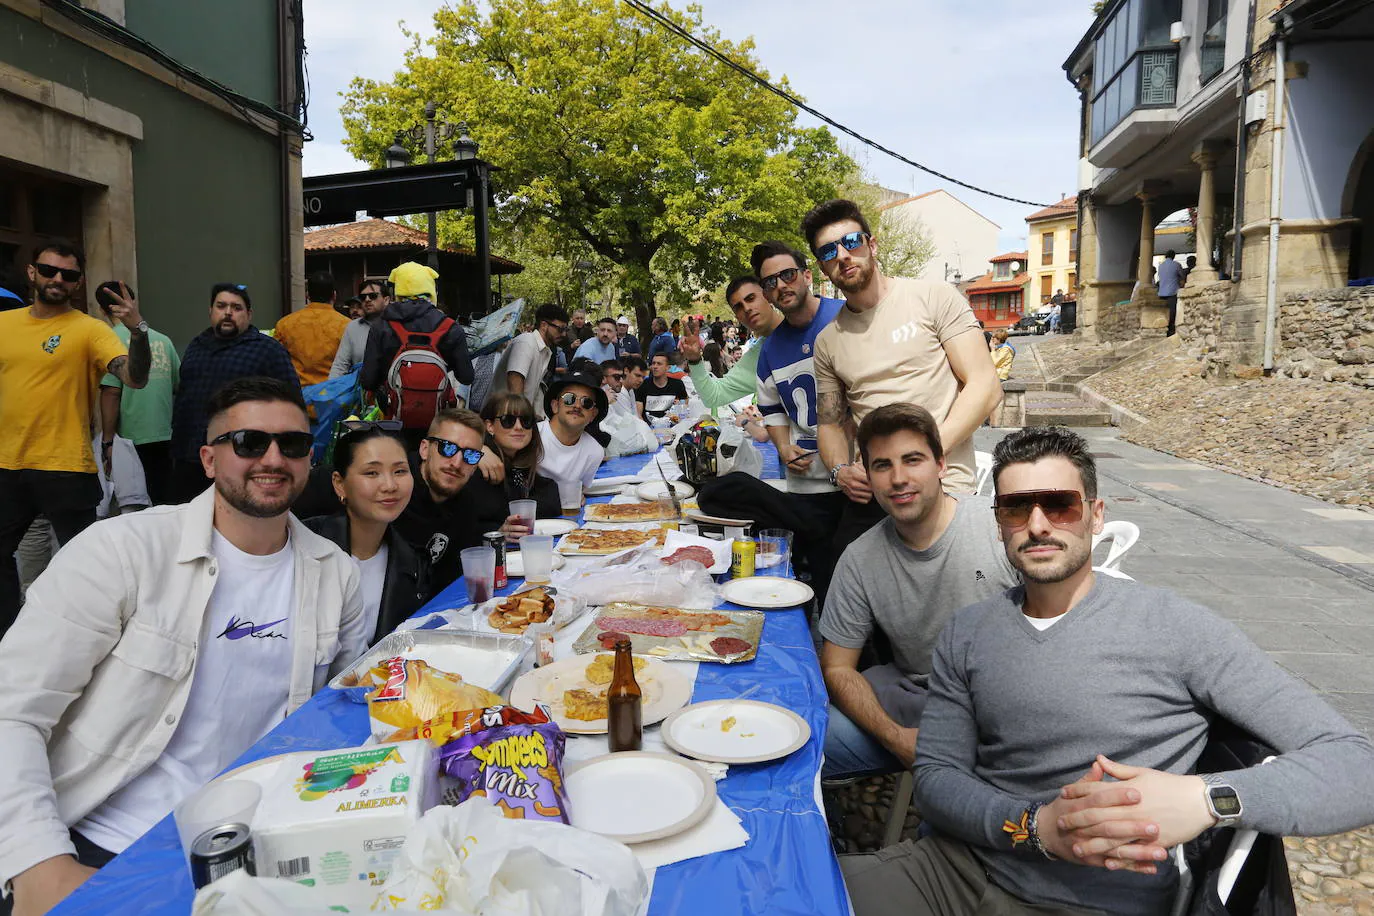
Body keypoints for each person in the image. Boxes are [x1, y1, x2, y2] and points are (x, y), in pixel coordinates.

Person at [842, 426, 1374, 916]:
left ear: (1095, 516)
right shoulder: (969, 631)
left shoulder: (1176, 627)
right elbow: (938, 779)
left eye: (1060, 505)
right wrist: (1035, 827)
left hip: (1102, 901)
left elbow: (1356, 765)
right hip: (959, 871)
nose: (1038, 524)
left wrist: (1209, 799)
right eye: (1016, 507)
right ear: (998, 521)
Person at [0, 377, 367, 916]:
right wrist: (37, 862)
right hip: (108, 844)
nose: (272, 458)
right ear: (209, 459)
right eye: (247, 442)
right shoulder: (121, 552)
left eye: (292, 445)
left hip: (263, 841)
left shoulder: (336, 574)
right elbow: (13, 709)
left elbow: (336, 712)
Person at [818, 404, 1018, 779]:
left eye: (913, 460)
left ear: (941, 464)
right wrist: (896, 738)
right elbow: (837, 667)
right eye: (882, 465)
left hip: (1008, 712)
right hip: (914, 703)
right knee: (799, 743)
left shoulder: (999, 528)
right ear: (868, 474)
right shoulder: (860, 559)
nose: (898, 478)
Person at [804, 198, 1001, 551]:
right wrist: (840, 472)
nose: (843, 256)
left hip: (945, 486)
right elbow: (830, 424)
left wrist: (925, 455)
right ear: (822, 267)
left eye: (851, 242)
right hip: (875, 493)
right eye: (829, 252)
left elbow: (985, 386)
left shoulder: (934, 297)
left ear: (872, 244)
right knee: (836, 573)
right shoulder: (828, 342)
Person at [0, 242, 151, 638]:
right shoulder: (5, 324)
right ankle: (11, 640)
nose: (57, 280)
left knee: (86, 566)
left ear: (78, 282)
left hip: (65, 466)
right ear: (32, 272)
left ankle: (86, 639)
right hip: (6, 465)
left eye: (68, 275)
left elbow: (134, 377)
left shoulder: (89, 330)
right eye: (49, 271)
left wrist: (138, 329)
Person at [170, 283, 300, 504]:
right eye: (221, 306)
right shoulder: (196, 346)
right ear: (211, 311)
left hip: (241, 456)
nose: (228, 312)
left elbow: (292, 403)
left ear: (248, 314)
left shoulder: (267, 350)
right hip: (190, 455)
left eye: (236, 307)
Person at [303, 421, 428, 645]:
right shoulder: (304, 547)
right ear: (339, 484)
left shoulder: (413, 561)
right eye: (372, 473)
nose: (390, 485)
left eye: (400, 471)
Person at [390, 408, 512, 593]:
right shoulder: (392, 491)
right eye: (447, 448)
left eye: (470, 455)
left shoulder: (466, 503)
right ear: (424, 449)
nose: (456, 463)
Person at [93, 281, 180, 507]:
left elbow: (111, 392)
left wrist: (107, 441)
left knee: (134, 506)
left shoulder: (109, 341)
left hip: (130, 439)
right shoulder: (164, 340)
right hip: (165, 435)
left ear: (102, 310)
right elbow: (178, 386)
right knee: (163, 502)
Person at [359, 262, 474, 414]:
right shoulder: (451, 328)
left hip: (394, 418)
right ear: (431, 290)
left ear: (397, 292)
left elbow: (368, 380)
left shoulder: (381, 326)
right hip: (437, 418)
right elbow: (466, 377)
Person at [681, 276, 780, 408]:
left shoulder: (809, 327)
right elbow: (714, 396)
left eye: (751, 298)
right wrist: (694, 360)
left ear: (768, 296)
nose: (746, 308)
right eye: (738, 307)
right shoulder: (760, 356)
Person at [467, 393, 560, 535]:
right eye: (508, 420)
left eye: (526, 421)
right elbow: (463, 522)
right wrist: (498, 531)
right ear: (490, 426)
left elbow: (551, 499)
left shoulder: (517, 465)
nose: (518, 427)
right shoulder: (478, 465)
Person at [491, 304, 568, 420]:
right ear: (544, 325)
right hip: (502, 419)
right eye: (560, 329)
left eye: (565, 330)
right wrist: (521, 418)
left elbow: (533, 390)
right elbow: (515, 379)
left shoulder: (545, 351)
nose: (564, 334)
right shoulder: (526, 342)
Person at [538, 373, 607, 500]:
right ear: (555, 406)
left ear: (593, 414)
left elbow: (579, 491)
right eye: (569, 399)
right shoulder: (530, 435)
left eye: (587, 402)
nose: (577, 406)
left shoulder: (595, 452)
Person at [275, 271, 350, 386]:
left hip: (297, 395)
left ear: (307, 295)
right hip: (334, 395)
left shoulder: (284, 324)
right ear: (334, 295)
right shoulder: (346, 325)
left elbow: (275, 361)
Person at [330, 278, 390, 379]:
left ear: (386, 300)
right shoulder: (352, 327)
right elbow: (340, 365)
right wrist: (332, 390)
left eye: (373, 296)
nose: (367, 300)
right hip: (360, 389)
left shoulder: (396, 325)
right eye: (363, 297)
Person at [636, 352, 688, 421]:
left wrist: (679, 408)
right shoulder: (643, 385)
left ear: (668, 368)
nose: (655, 366)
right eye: (653, 363)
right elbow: (638, 415)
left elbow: (685, 401)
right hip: (648, 427)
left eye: (659, 364)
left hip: (671, 426)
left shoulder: (677, 384)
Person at [1157, 249, 1184, 337]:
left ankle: (1162, 329)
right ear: (1173, 256)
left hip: (1161, 292)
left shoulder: (1160, 266)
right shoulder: (1176, 265)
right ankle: (1171, 330)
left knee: (1163, 312)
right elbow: (1182, 276)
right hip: (1172, 292)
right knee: (1172, 313)